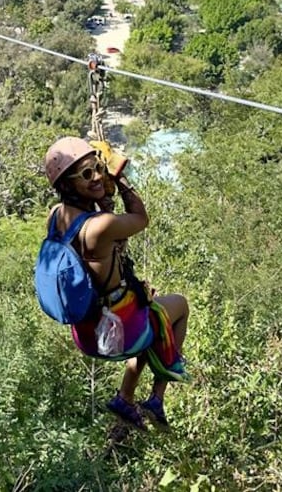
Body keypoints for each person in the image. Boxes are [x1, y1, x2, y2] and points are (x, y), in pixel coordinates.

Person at [43, 137, 190, 430]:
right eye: (87, 174)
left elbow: (94, 253)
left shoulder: (55, 215)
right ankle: (157, 398)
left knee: (151, 311)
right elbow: (140, 218)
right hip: (120, 336)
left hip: (86, 334)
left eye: (99, 167)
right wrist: (120, 179)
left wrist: (99, 198)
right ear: (67, 185)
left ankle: (125, 397)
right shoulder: (100, 227)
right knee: (178, 308)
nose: (98, 176)